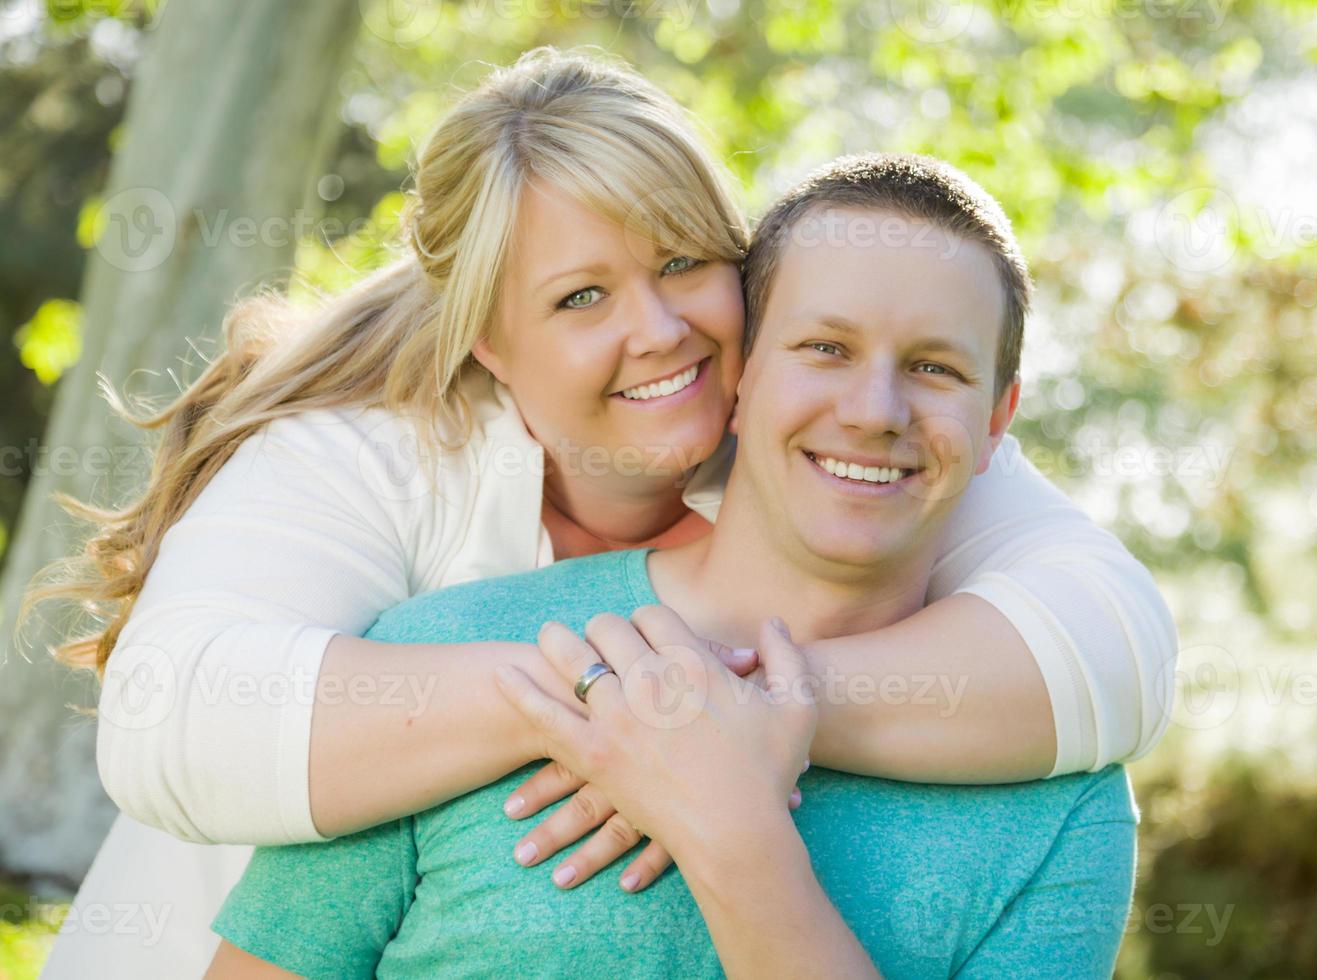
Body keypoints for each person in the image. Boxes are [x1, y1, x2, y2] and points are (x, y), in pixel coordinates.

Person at [26, 49, 1170, 978]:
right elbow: (170, 716)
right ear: (487, 341)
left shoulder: (838, 420)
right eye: (581, 297)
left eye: (682, 260)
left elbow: (1112, 644)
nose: (662, 329)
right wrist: (602, 695)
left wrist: (721, 716)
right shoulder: (368, 459)